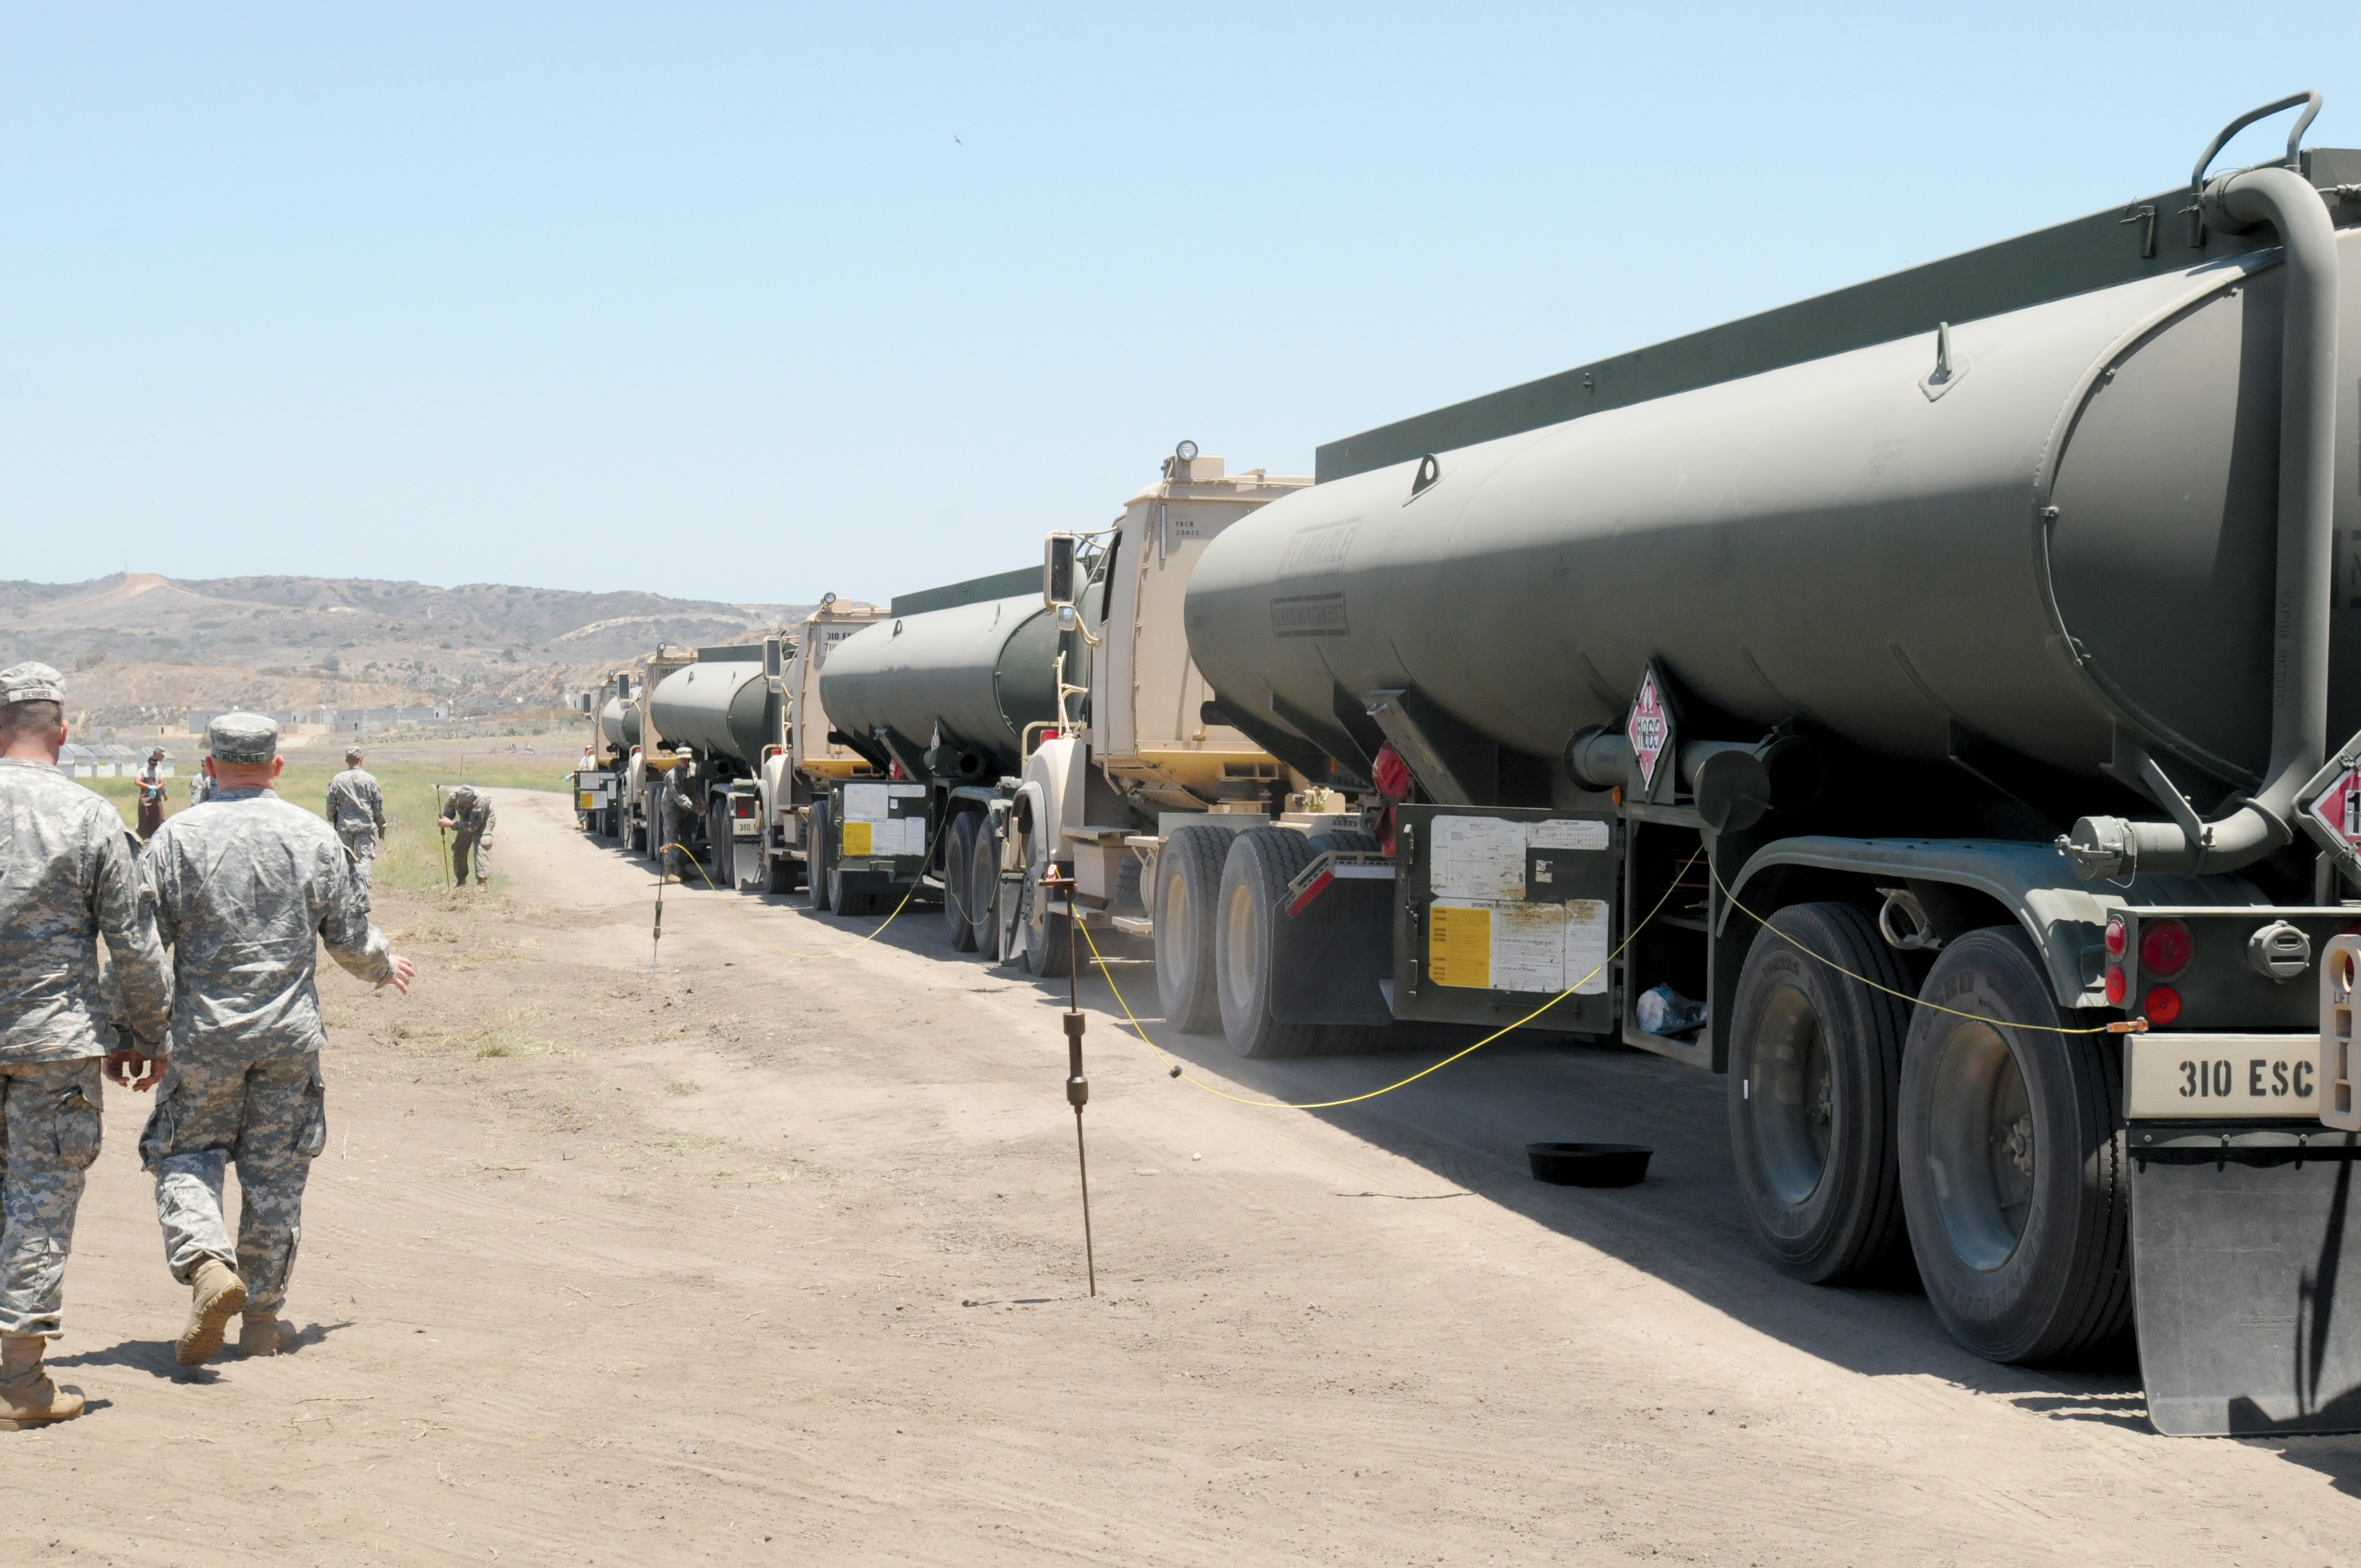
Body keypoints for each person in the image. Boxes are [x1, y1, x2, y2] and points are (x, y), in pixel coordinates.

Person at [137, 711, 415, 1364]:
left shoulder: (176, 839)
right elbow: (348, 937)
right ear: (277, 766)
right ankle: (261, 1320)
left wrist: (139, 1035)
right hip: (288, 1038)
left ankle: (208, 1264)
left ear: (209, 766)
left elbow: (143, 950)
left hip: (204, 1039)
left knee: (183, 1155)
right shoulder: (314, 837)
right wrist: (383, 965)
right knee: (277, 1174)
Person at [0, 662, 172, 1427]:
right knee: (38, 1201)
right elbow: (134, 947)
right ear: (62, 734)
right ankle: (19, 1383)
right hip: (53, 1047)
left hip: (51, 1042)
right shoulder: (89, 816)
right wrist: (142, 1034)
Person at [325, 748, 388, 890]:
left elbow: (330, 806)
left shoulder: (338, 780)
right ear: (361, 759)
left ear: (347, 760)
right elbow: (378, 807)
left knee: (344, 861)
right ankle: (362, 891)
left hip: (344, 829)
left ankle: (345, 892)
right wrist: (381, 827)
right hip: (365, 829)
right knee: (365, 859)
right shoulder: (370, 780)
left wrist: (335, 821)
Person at [439, 785, 494, 886]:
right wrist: (445, 821)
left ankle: (482, 883)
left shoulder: (481, 801)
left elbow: (473, 826)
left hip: (483, 821)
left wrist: (452, 824)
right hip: (465, 820)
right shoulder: (452, 798)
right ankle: (461, 881)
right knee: (459, 847)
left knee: (481, 846)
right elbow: (449, 814)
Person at [134, 746, 170, 840]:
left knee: (159, 816)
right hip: (145, 796)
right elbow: (137, 781)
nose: (153, 766)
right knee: (144, 816)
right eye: (151, 765)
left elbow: (162, 782)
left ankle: (158, 837)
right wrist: (149, 787)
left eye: (154, 765)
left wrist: (157, 790)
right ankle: (143, 836)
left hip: (156, 796)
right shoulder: (144, 769)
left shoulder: (159, 770)